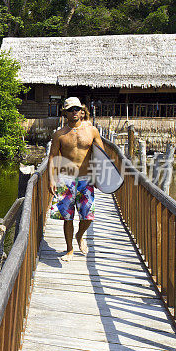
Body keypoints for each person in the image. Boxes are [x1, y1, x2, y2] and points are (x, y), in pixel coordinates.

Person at [48, 97, 104, 261]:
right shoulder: (59, 135)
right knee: (67, 217)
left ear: (82, 110)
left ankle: (80, 235)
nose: (74, 112)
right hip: (66, 179)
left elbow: (102, 155)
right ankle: (70, 249)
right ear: (65, 112)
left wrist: (101, 176)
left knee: (88, 217)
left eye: (77, 109)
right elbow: (52, 157)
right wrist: (51, 179)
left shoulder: (92, 131)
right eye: (71, 109)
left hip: (86, 179)